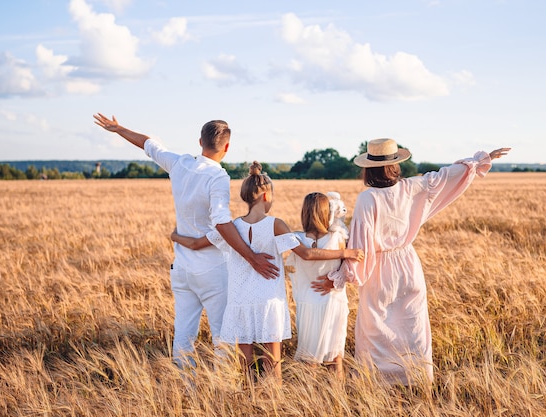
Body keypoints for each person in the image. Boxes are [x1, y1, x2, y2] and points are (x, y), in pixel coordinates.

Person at [312, 138, 510, 385]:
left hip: (378, 269)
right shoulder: (414, 186)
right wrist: (480, 160)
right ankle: (416, 380)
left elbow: (360, 247)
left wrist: (340, 277)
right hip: (408, 265)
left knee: (374, 328)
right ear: (394, 166)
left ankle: (376, 385)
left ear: (368, 168)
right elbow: (447, 175)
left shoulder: (368, 198)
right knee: (413, 327)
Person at [93, 114, 278, 369]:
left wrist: (118, 129)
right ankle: (222, 388)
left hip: (181, 267)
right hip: (213, 270)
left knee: (183, 334)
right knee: (222, 336)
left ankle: (185, 389)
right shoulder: (218, 177)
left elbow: (149, 144)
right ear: (227, 147)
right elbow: (222, 223)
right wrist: (252, 257)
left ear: (200, 141)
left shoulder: (179, 164)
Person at [171, 162, 364, 382]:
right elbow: (306, 254)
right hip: (269, 302)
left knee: (245, 371)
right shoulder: (276, 225)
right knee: (273, 371)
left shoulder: (231, 227)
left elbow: (196, 244)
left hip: (240, 303)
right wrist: (346, 252)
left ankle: (248, 404)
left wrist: (175, 236)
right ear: (265, 196)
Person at [285, 192, 359, 379]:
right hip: (333, 302)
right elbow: (348, 269)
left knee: (310, 361)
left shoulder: (296, 238)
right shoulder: (339, 238)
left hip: (308, 304)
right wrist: (344, 255)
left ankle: (311, 402)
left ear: (305, 213)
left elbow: (297, 261)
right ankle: (337, 400)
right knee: (336, 358)